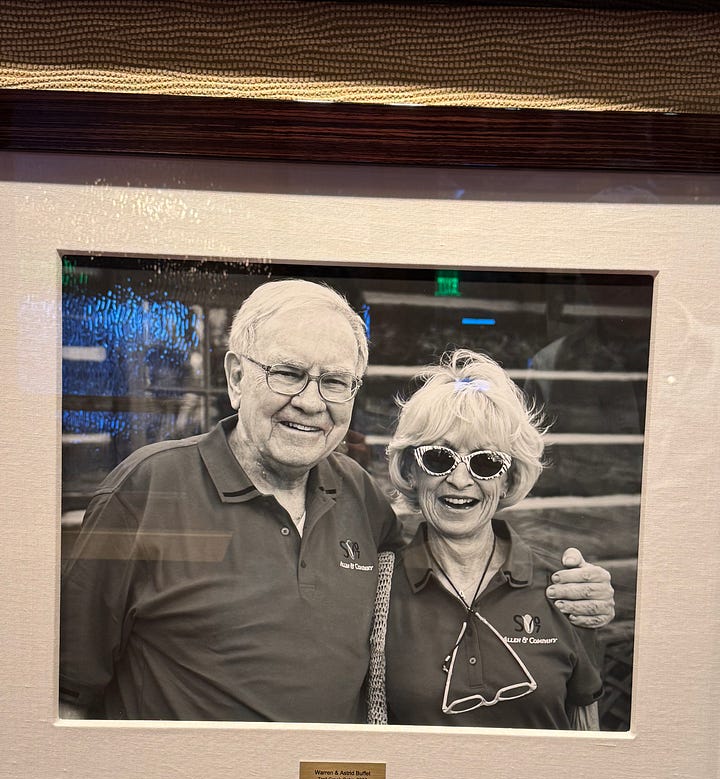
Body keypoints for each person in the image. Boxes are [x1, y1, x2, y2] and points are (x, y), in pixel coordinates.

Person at [60, 280, 613, 722]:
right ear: (236, 377)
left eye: (334, 382)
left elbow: (454, 561)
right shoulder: (147, 490)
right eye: (288, 374)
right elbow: (66, 694)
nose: (310, 402)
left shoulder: (356, 494)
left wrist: (578, 593)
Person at [379, 349, 604, 729]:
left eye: (485, 462)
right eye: (439, 458)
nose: (460, 480)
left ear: (508, 479)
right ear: (410, 469)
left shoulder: (564, 591)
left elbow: (587, 731)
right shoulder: (378, 594)